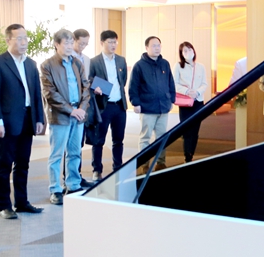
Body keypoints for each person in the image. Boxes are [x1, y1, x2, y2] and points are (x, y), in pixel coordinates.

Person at [0, 24, 46, 218]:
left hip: (28, 119)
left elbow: (36, 93)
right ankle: (4, 205)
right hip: (7, 121)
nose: (24, 42)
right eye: (19, 38)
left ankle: (21, 202)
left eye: (25, 38)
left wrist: (39, 118)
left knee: (23, 164)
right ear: (8, 40)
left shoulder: (31, 64)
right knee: (5, 164)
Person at [41, 29, 90, 205]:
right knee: (57, 154)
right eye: (66, 43)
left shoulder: (77, 63)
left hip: (79, 114)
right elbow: (50, 93)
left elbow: (86, 87)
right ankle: (55, 189)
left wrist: (82, 108)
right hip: (60, 116)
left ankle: (73, 184)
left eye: (71, 42)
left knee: (75, 152)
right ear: (57, 44)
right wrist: (71, 110)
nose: (70, 46)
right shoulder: (47, 65)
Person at [128, 36, 175, 170]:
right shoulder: (139, 65)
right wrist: (135, 102)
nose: (157, 48)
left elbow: (170, 82)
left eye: (159, 45)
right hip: (147, 107)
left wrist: (171, 99)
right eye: (154, 45)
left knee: (162, 137)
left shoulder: (165, 63)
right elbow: (133, 86)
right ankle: (144, 163)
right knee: (145, 137)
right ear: (147, 47)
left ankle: (160, 162)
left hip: (163, 107)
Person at [88, 30, 128, 180]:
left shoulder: (121, 60)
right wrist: (95, 87)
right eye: (110, 42)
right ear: (102, 43)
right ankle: (97, 170)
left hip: (119, 105)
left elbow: (123, 80)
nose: (113, 45)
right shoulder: (94, 61)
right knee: (99, 140)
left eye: (115, 42)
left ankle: (117, 167)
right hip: (103, 106)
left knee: (118, 139)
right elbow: (89, 80)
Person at [172, 41, 208, 163]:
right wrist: (187, 91)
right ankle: (187, 156)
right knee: (186, 130)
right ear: (181, 54)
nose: (188, 52)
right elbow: (174, 83)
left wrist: (197, 92)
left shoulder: (201, 67)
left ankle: (191, 153)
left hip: (198, 101)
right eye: (185, 51)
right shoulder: (178, 66)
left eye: (190, 49)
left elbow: (204, 84)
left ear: (194, 51)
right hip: (185, 102)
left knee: (195, 130)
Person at [71, 29, 93, 187]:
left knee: (79, 144)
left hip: (84, 105)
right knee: (70, 146)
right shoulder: (67, 58)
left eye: (86, 44)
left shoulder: (87, 60)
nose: (83, 46)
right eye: (81, 43)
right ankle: (69, 177)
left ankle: (77, 175)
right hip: (71, 106)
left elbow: (88, 81)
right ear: (73, 40)